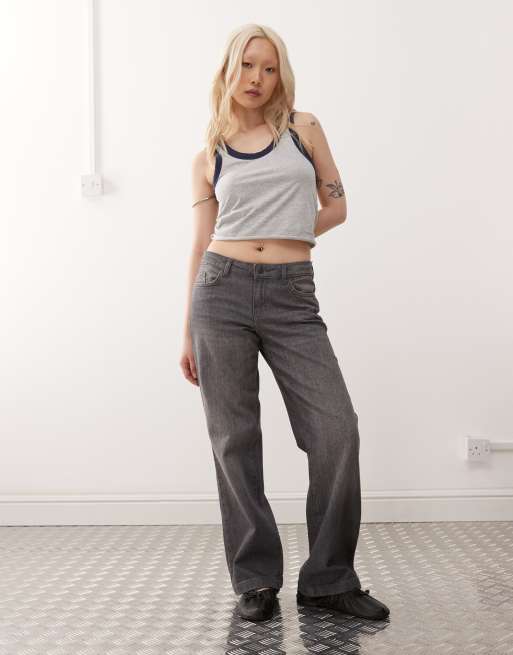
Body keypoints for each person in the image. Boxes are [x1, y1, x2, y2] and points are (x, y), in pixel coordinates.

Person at [180, 23, 390, 623]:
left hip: (293, 294)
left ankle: (328, 579)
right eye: (247, 65)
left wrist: (290, 230)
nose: (257, 78)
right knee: (234, 439)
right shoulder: (209, 156)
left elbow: (336, 205)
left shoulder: (304, 129)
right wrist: (185, 329)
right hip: (219, 292)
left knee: (336, 429)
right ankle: (255, 580)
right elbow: (200, 243)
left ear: (281, 75)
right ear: (229, 70)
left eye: (269, 68)